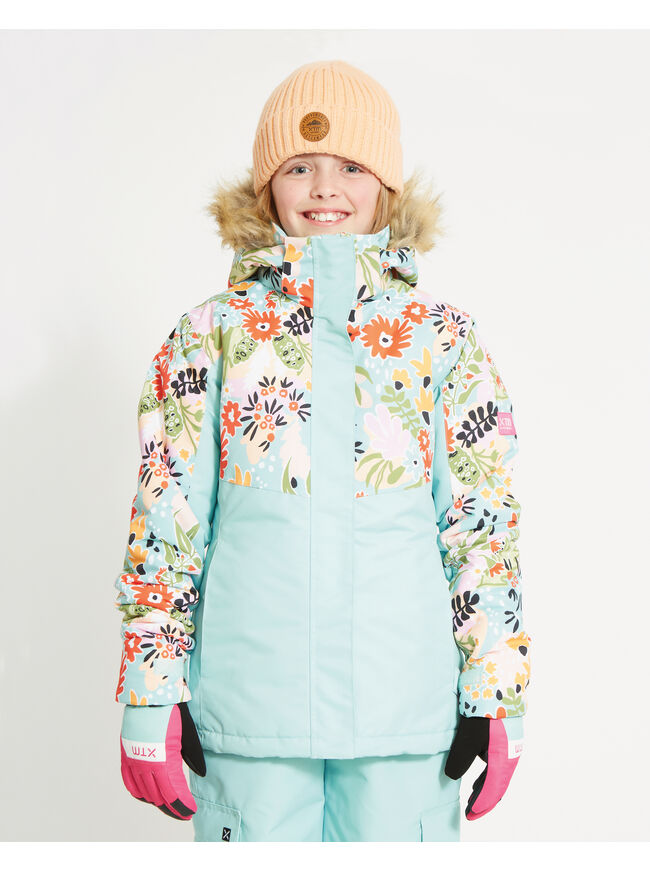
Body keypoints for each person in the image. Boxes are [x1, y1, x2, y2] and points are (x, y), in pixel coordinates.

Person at [114, 59, 532, 842]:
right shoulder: (212, 336)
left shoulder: (442, 341)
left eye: (351, 166)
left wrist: (497, 692)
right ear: (266, 186)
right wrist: (149, 689)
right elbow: (166, 522)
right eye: (299, 166)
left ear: (388, 186)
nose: (324, 188)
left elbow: (482, 525)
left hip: (404, 718)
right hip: (250, 718)